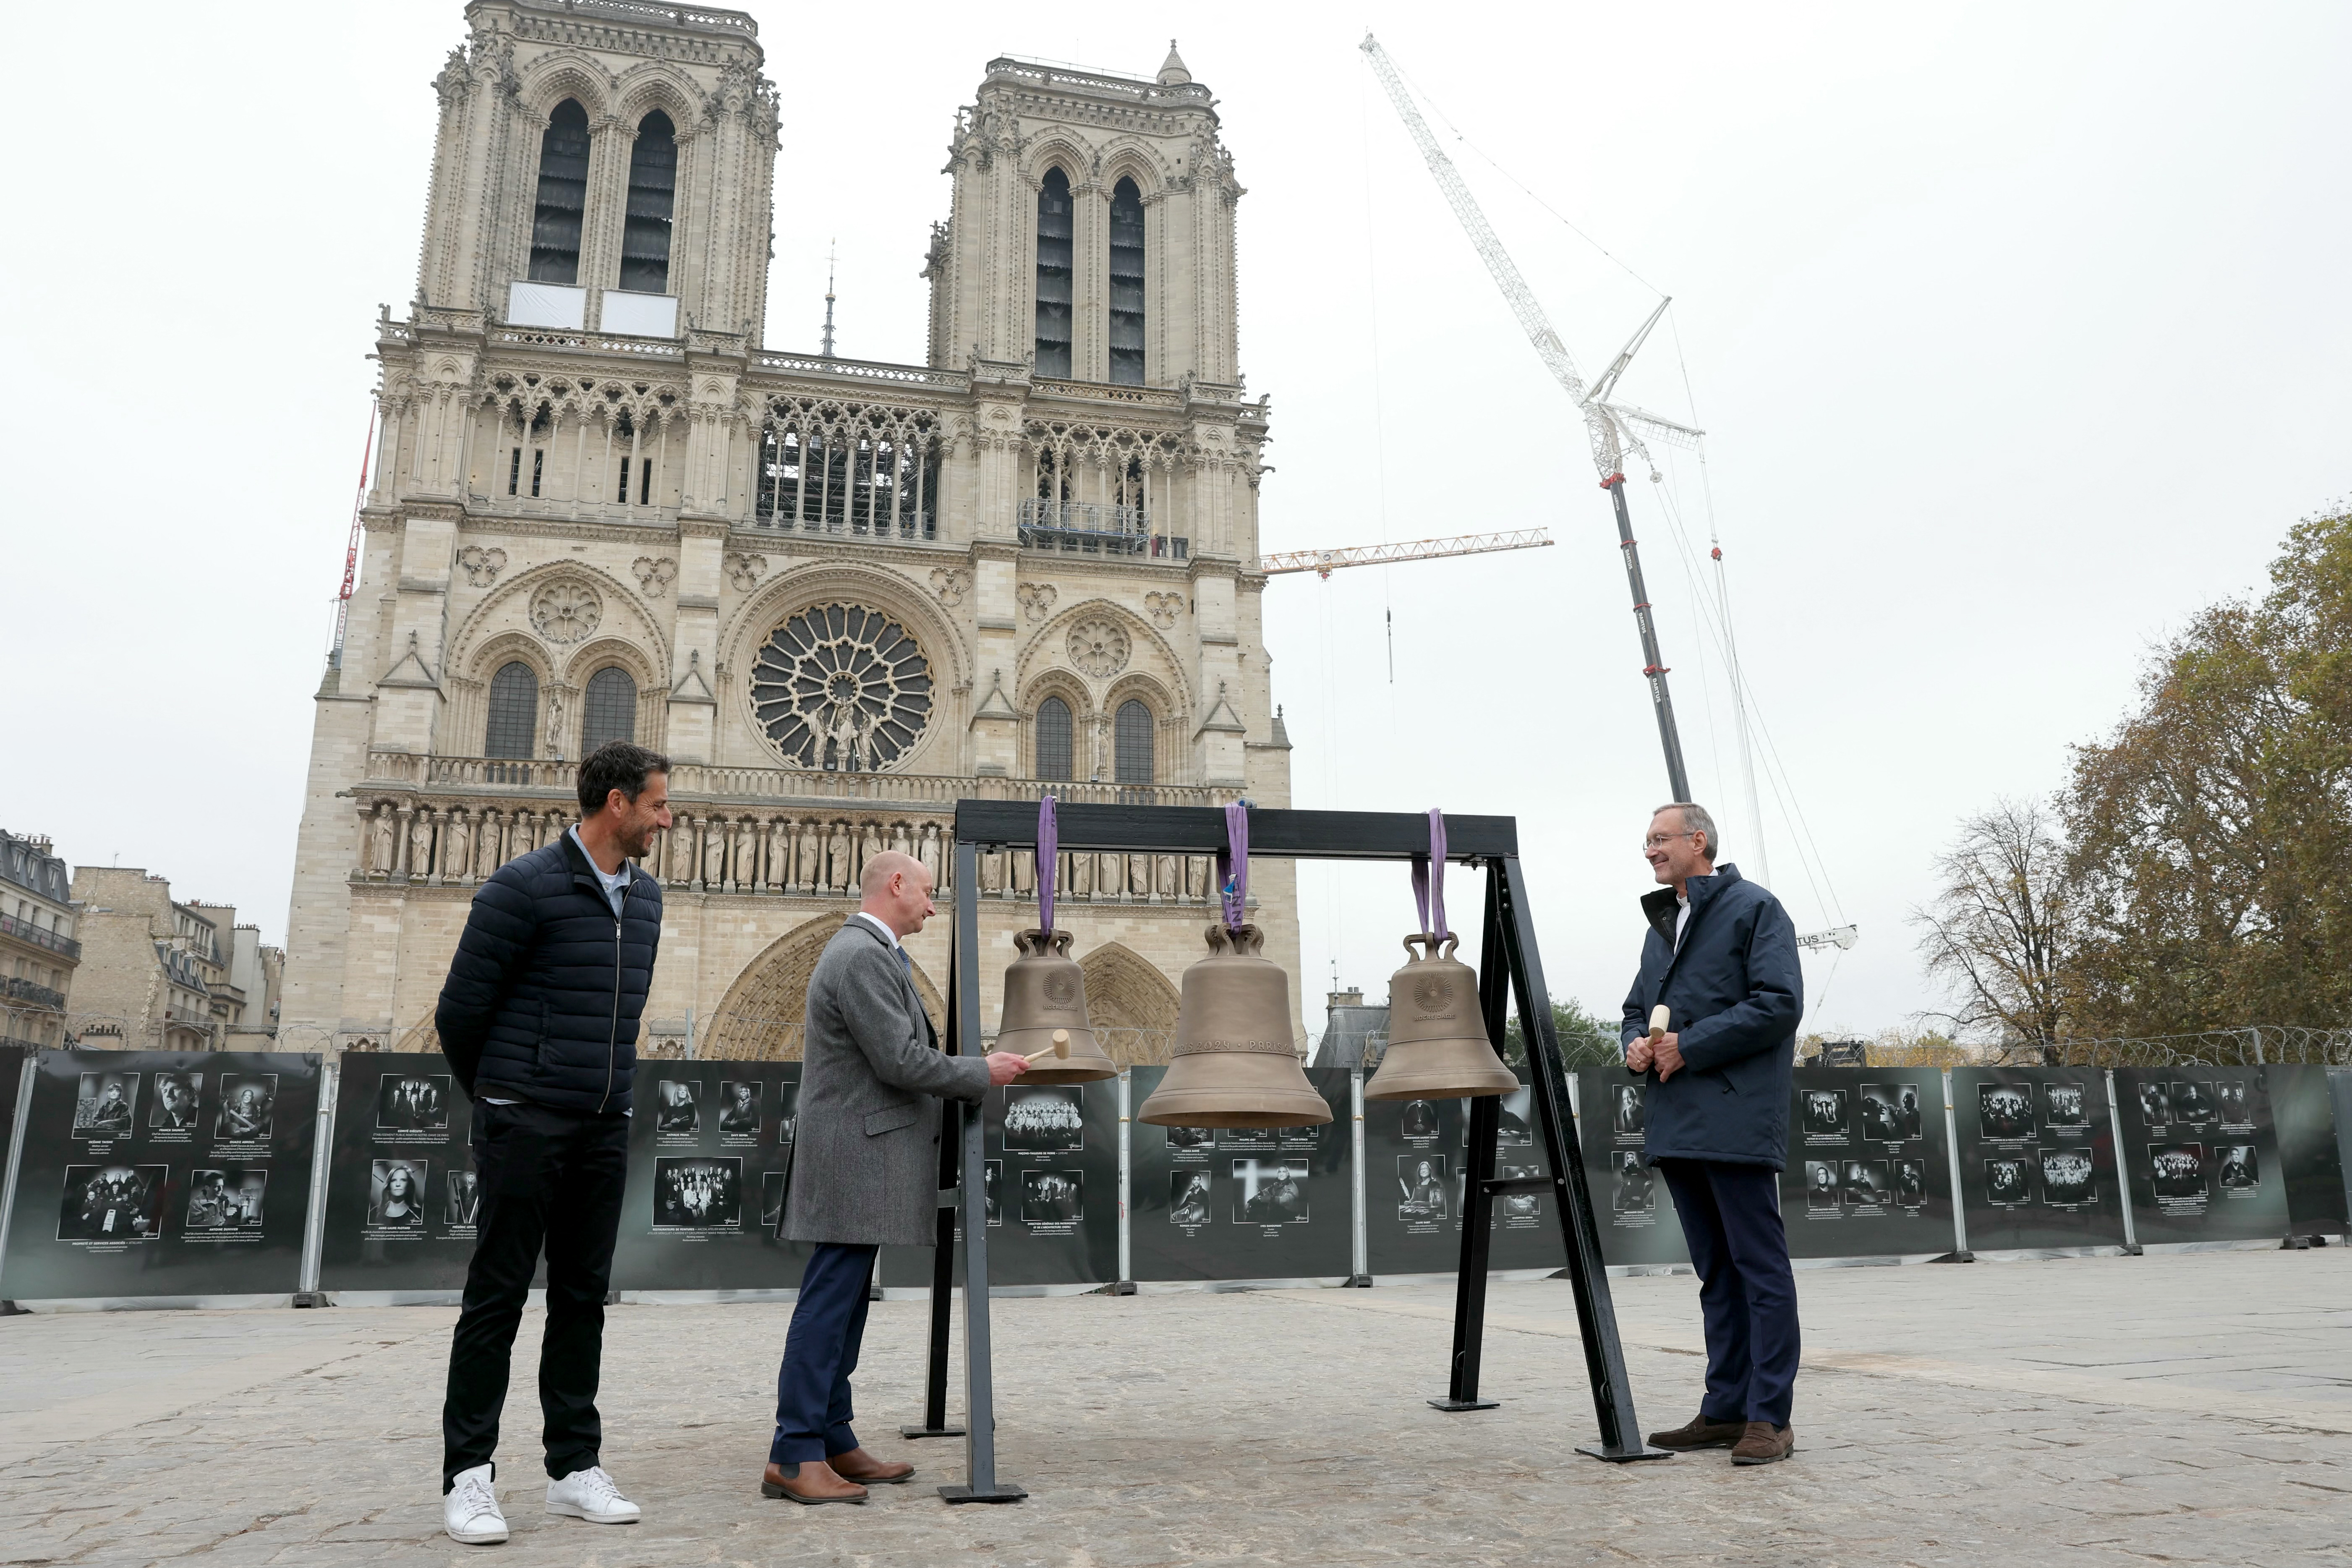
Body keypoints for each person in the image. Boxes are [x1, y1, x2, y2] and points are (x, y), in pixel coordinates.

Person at [431, 741, 671, 1544]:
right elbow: (460, 1014)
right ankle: (468, 1478)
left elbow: (623, 1019)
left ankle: (573, 1469)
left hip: (603, 1120)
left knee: (582, 1299)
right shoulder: (520, 888)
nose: (666, 820)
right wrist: (505, 1096)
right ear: (616, 804)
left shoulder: (648, 902)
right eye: (658, 806)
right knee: (495, 1298)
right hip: (524, 1118)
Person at [764, 851, 1032, 1505]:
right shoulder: (859, 955)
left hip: (864, 1155)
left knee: (847, 1305)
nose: (934, 906)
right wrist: (980, 1072)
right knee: (829, 1307)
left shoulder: (873, 954)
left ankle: (832, 1436)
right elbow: (899, 1059)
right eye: (929, 893)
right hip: (856, 1157)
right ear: (896, 885)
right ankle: (794, 1453)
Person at [1621, 801, 1803, 1467]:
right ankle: (1726, 1410)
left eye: (1660, 839)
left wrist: (1688, 1047)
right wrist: (1635, 1045)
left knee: (1759, 1270)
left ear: (1699, 841)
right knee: (1716, 1275)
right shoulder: (1661, 924)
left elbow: (1779, 1003)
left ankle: (1770, 1420)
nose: (1649, 851)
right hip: (1678, 1120)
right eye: (1646, 842)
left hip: (1735, 1118)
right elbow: (1634, 1011)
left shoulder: (1756, 907)